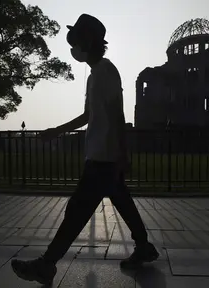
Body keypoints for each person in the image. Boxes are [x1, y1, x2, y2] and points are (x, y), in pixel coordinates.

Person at [11, 14, 159, 286]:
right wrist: (56, 131)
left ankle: (47, 264)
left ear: (88, 42)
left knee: (77, 210)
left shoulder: (106, 72)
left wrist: (123, 153)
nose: (73, 48)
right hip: (101, 155)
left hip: (104, 157)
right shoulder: (93, 76)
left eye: (76, 41)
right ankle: (144, 247)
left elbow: (117, 114)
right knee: (123, 203)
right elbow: (88, 115)